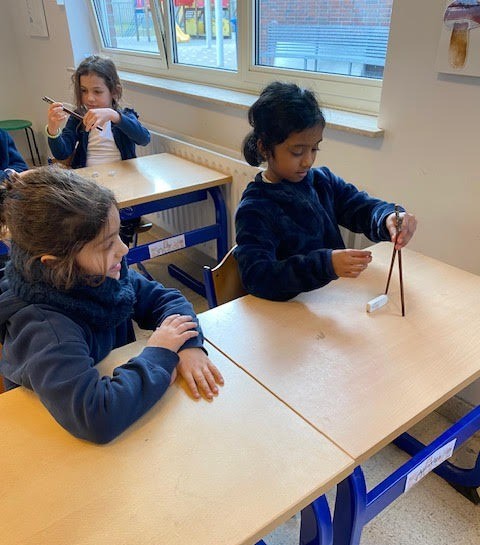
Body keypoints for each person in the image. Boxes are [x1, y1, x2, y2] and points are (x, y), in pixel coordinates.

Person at [0, 166, 223, 444]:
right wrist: (160, 353)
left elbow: (166, 299)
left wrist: (187, 345)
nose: (123, 249)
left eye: (119, 234)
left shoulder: (103, 275)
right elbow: (97, 416)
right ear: (56, 264)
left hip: (119, 404)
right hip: (50, 442)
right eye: (106, 245)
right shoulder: (44, 328)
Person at [235, 82, 417, 301]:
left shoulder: (322, 181)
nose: (308, 161)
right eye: (297, 151)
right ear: (264, 148)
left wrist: (387, 217)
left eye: (314, 148)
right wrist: (325, 265)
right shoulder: (256, 207)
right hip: (290, 309)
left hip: (332, 299)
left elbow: (360, 207)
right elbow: (258, 277)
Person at [45, 55, 151, 243]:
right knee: (85, 225)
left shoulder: (125, 116)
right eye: (84, 91)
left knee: (117, 223)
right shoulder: (78, 117)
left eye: (97, 91)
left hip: (123, 187)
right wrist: (53, 130)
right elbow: (62, 153)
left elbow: (144, 138)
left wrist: (114, 116)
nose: (90, 98)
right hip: (88, 186)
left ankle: (119, 248)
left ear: (114, 92)